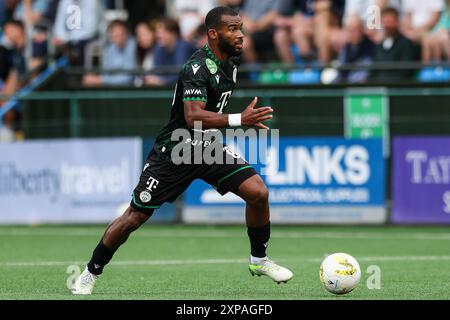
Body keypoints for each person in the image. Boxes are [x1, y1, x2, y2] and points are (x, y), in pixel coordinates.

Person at [72, 6, 293, 295]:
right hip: (175, 149)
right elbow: (193, 117)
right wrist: (241, 120)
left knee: (258, 192)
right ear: (213, 34)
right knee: (134, 217)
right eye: (233, 29)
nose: (240, 34)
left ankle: (259, 260)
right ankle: (90, 273)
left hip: (206, 148)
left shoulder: (232, 60)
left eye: (240, 27)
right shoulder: (196, 68)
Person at [83, 20, 137, 86]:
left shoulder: (133, 45)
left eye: (121, 34)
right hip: (112, 89)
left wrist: (100, 80)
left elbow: (128, 78)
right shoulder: (110, 48)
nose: (118, 38)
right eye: (115, 35)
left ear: (127, 34)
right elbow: (106, 72)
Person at [144, 18, 196, 86]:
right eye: (157, 32)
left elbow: (182, 75)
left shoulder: (184, 47)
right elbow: (157, 71)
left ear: (173, 34)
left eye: (162, 32)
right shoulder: (158, 47)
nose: (158, 36)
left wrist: (161, 81)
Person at [372, 7, 416, 81]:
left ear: (397, 22)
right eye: (384, 22)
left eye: (389, 22)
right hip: (378, 87)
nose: (387, 26)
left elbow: (406, 71)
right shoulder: (379, 46)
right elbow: (374, 70)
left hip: (397, 87)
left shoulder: (406, 44)